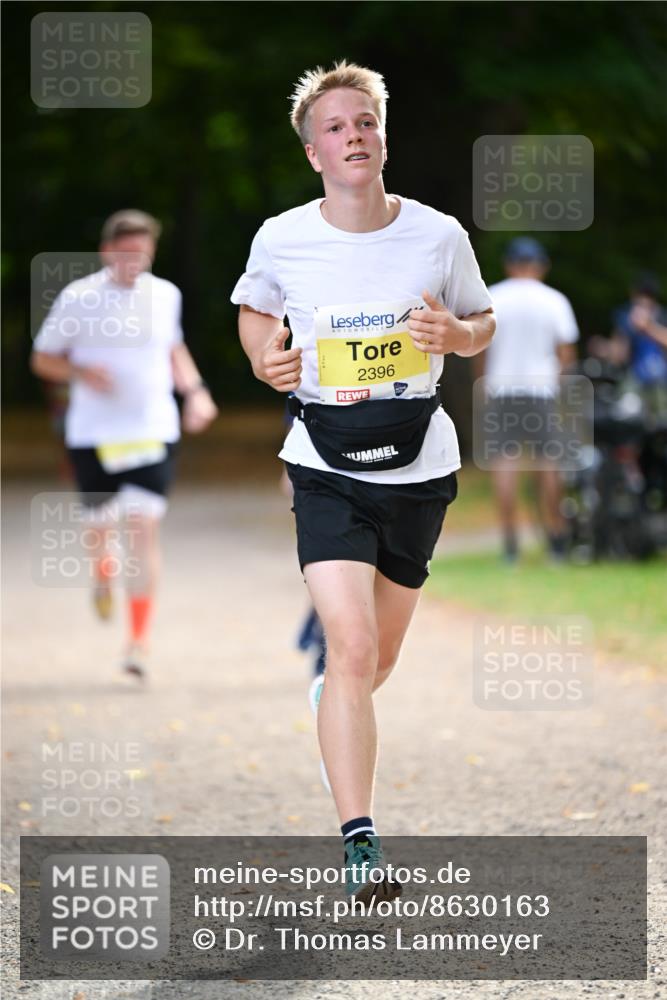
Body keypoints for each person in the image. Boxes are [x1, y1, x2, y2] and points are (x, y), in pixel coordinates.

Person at [231, 62, 494, 901]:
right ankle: (361, 846)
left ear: (383, 137)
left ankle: (332, 699)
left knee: (374, 660)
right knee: (348, 646)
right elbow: (254, 310)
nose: (353, 136)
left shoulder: (437, 235)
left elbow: (480, 319)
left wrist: (456, 335)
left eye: (365, 122)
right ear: (314, 153)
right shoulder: (281, 237)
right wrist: (264, 359)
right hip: (323, 462)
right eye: (336, 127)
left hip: (419, 464)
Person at [31, 209, 218, 680]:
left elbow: (173, 349)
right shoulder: (78, 298)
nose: (136, 261)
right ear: (107, 252)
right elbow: (43, 359)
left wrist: (196, 392)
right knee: (99, 529)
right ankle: (102, 569)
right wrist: (80, 372)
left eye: (144, 253)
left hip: (152, 429)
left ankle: (137, 641)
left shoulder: (166, 295)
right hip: (93, 435)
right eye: (127, 252)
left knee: (141, 528)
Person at [478, 238, 579, 563]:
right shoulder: (554, 300)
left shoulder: (492, 297)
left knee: (504, 462)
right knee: (548, 462)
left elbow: (480, 348)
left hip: (501, 388)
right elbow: (566, 354)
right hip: (540, 390)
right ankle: (557, 541)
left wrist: (483, 384)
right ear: (541, 266)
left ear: (509, 264)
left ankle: (510, 545)